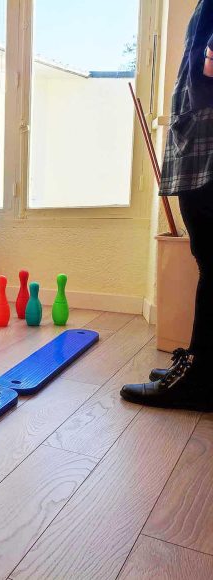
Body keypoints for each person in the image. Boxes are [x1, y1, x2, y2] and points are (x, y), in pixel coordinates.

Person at [121, 1, 213, 411]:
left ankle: (202, 379)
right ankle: (200, 364)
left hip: (209, 138)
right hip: (200, 137)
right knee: (209, 260)